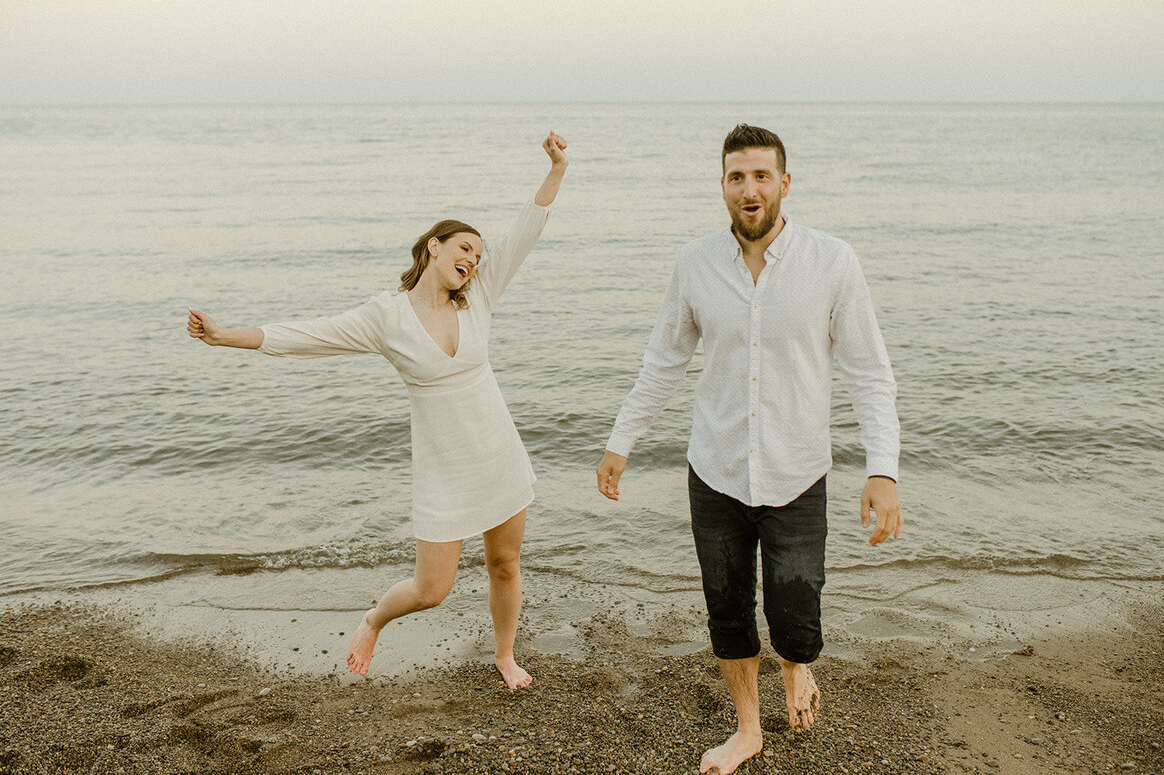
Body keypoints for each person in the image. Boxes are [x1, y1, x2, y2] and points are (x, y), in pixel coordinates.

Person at [188, 132, 569, 689]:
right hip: (444, 468)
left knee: (505, 565)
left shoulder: (481, 293)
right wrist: (224, 337)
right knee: (431, 590)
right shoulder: (385, 317)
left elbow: (529, 226)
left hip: (497, 451)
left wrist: (558, 167)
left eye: (479, 255)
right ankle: (373, 620)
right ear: (434, 247)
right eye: (464, 247)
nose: (473, 259)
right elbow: (307, 335)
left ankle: (505, 656)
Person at [595, 124, 901, 774]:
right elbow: (663, 361)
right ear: (723, 187)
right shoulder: (695, 263)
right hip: (717, 469)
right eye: (737, 176)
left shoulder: (832, 262)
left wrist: (883, 471)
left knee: (796, 613)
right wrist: (620, 442)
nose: (750, 188)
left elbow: (869, 372)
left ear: (785, 184)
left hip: (797, 470)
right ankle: (747, 730)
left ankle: (796, 670)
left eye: (762, 175)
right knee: (728, 612)